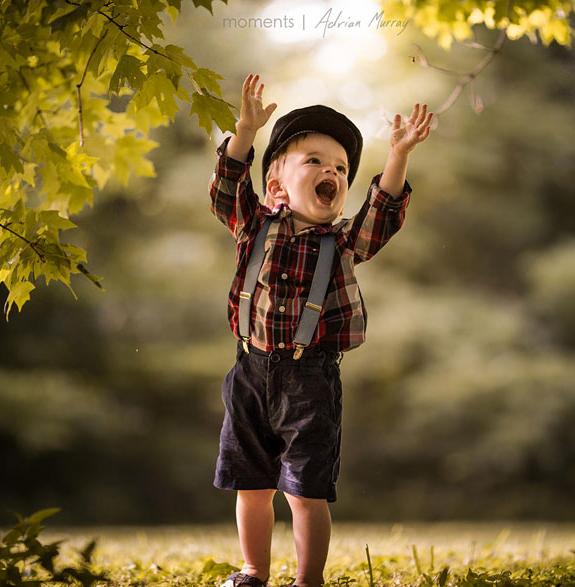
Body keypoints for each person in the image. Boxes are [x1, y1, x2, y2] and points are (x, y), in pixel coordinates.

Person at [209, 73, 433, 587]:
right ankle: (253, 571)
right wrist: (244, 131)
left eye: (340, 168)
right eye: (314, 161)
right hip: (249, 369)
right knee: (252, 482)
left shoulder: (344, 242)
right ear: (276, 184)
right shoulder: (253, 225)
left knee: (305, 489)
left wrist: (397, 157)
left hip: (310, 380)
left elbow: (383, 212)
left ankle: (308, 580)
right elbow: (225, 187)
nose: (331, 172)